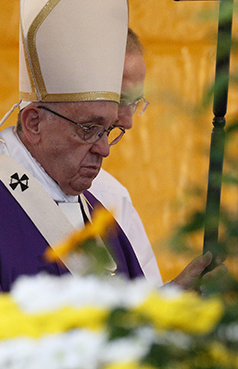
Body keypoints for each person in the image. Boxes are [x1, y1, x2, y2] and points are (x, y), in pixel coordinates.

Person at [0, 0, 219, 301]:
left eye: (108, 131)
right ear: (34, 121)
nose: (103, 149)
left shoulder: (98, 208)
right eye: (88, 129)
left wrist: (173, 300)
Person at [89, 28, 162, 284]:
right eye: (120, 99)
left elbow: (147, 300)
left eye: (135, 101)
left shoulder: (110, 195)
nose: (128, 121)